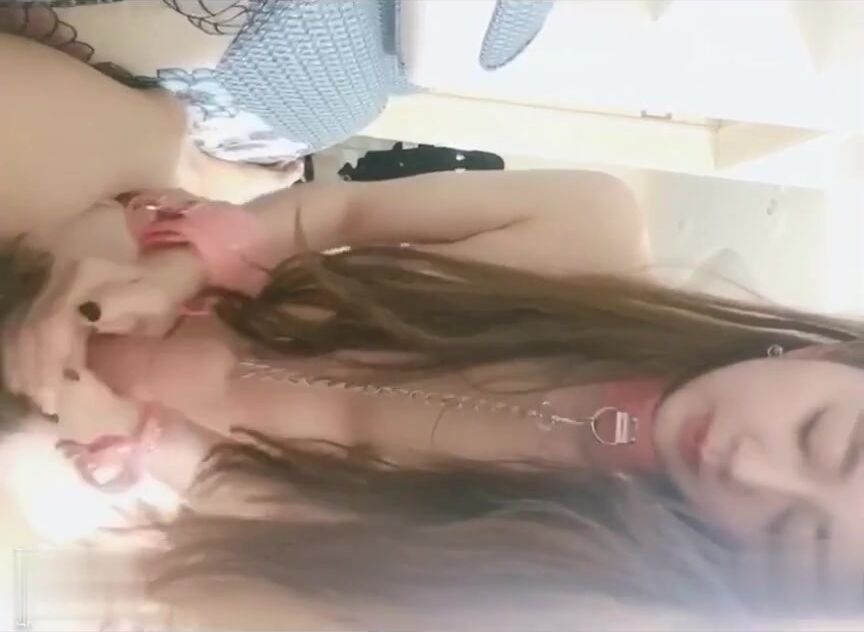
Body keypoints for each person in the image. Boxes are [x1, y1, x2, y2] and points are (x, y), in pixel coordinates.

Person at [0, 24, 860, 632]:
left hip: (99, 454)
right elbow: (333, 212)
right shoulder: (588, 225)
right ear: (828, 355)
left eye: (790, 531)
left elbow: (238, 539)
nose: (750, 466)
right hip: (145, 249)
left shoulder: (532, 584)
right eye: (820, 435)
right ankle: (167, 147)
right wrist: (170, 271)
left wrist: (128, 444)